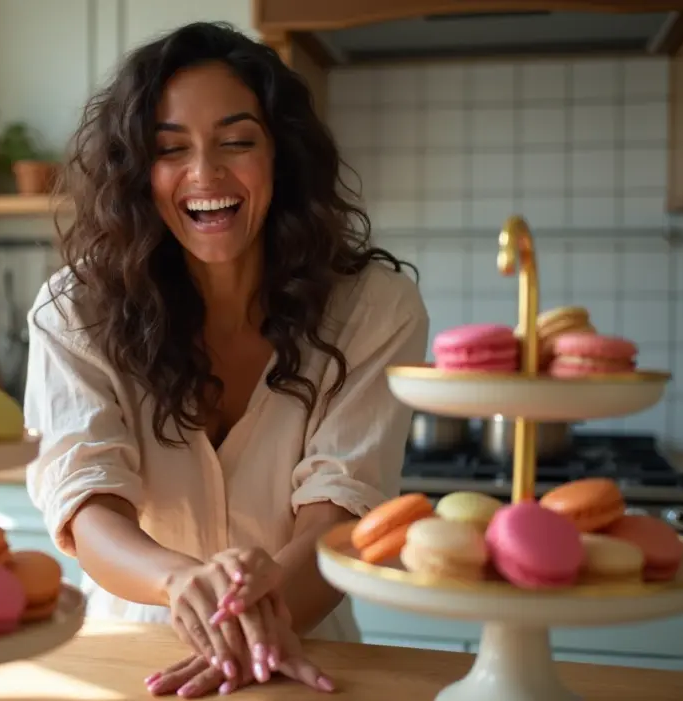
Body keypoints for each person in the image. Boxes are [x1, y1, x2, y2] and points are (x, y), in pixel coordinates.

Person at [24, 20, 428, 699]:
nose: (205, 174)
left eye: (237, 142)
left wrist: (247, 636)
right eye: (169, 149)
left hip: (299, 656)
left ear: (282, 156)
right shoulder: (75, 309)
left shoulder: (376, 308)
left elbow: (340, 512)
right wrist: (179, 580)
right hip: (134, 663)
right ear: (135, 171)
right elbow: (89, 502)